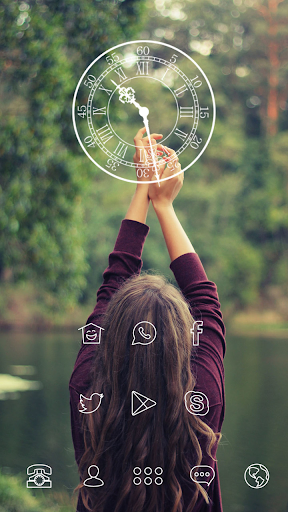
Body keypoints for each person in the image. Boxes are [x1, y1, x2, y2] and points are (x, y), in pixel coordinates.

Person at [69, 127, 226, 512]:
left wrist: (143, 188)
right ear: (183, 337)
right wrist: (163, 204)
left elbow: (112, 287)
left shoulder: (87, 393)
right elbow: (206, 304)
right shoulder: (202, 396)